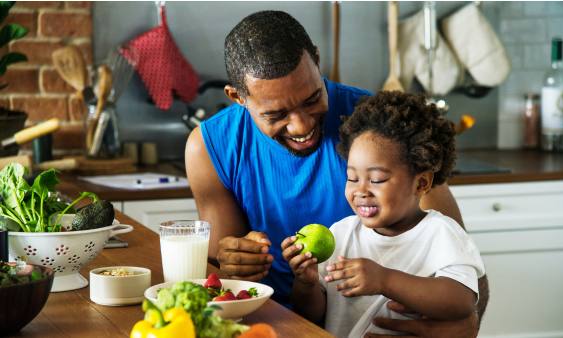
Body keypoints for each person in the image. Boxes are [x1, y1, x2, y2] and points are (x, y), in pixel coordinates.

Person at [185, 10, 489, 337]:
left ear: (317, 60)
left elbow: (468, 277)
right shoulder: (209, 147)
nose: (302, 126)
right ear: (237, 97)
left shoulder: (378, 130)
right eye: (276, 114)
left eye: (313, 98)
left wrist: (464, 328)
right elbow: (220, 279)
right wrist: (234, 261)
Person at [281, 91, 485, 337]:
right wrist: (306, 283)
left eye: (377, 179)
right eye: (352, 178)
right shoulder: (341, 234)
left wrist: (384, 280)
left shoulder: (441, 233)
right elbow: (314, 315)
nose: (360, 190)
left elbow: (461, 301)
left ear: (421, 184)